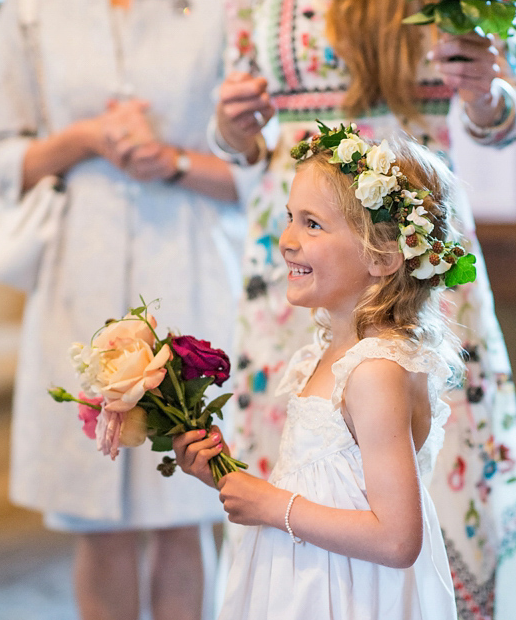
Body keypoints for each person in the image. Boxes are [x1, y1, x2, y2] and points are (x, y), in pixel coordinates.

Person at [207, 0, 516, 618]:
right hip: (301, 248)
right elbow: (243, 141)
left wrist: (485, 92)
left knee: (423, 437)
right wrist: (231, 131)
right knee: (296, 443)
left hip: (401, 237)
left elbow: (505, 115)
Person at [0, 0, 243, 618]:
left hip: (190, 274)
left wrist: (172, 159)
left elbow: (257, 170)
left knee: (186, 508)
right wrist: (88, 138)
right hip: (80, 286)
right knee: (95, 519)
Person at [175, 126, 470, 619]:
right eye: (290, 218)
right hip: (314, 581)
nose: (287, 239)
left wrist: (270, 505)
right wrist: (225, 475)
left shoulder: (375, 369)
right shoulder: (330, 353)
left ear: (383, 256)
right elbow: (328, 489)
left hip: (349, 596)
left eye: (312, 224)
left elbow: (398, 540)